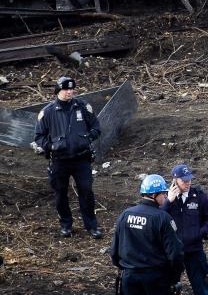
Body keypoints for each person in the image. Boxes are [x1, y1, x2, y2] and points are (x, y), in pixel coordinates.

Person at [33, 75, 103, 238]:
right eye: (66, 89)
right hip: (59, 160)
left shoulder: (82, 106)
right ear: (58, 90)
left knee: (86, 191)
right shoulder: (48, 112)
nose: (69, 92)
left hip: (81, 158)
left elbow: (96, 127)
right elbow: (39, 136)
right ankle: (66, 225)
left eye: (72, 89)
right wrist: (51, 146)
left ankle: (91, 226)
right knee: (60, 193)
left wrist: (86, 139)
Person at [110, 174, 184, 295]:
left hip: (129, 277)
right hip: (156, 280)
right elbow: (175, 253)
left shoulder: (125, 214)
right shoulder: (162, 218)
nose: (166, 196)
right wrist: (175, 277)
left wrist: (125, 267)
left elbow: (114, 250)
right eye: (163, 193)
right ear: (154, 195)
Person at [162, 163, 208, 295]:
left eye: (189, 179)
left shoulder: (199, 196)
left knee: (201, 288)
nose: (188, 183)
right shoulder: (165, 198)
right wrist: (168, 201)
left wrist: (200, 233)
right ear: (175, 181)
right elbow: (158, 219)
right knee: (168, 287)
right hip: (173, 252)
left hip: (194, 250)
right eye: (184, 180)